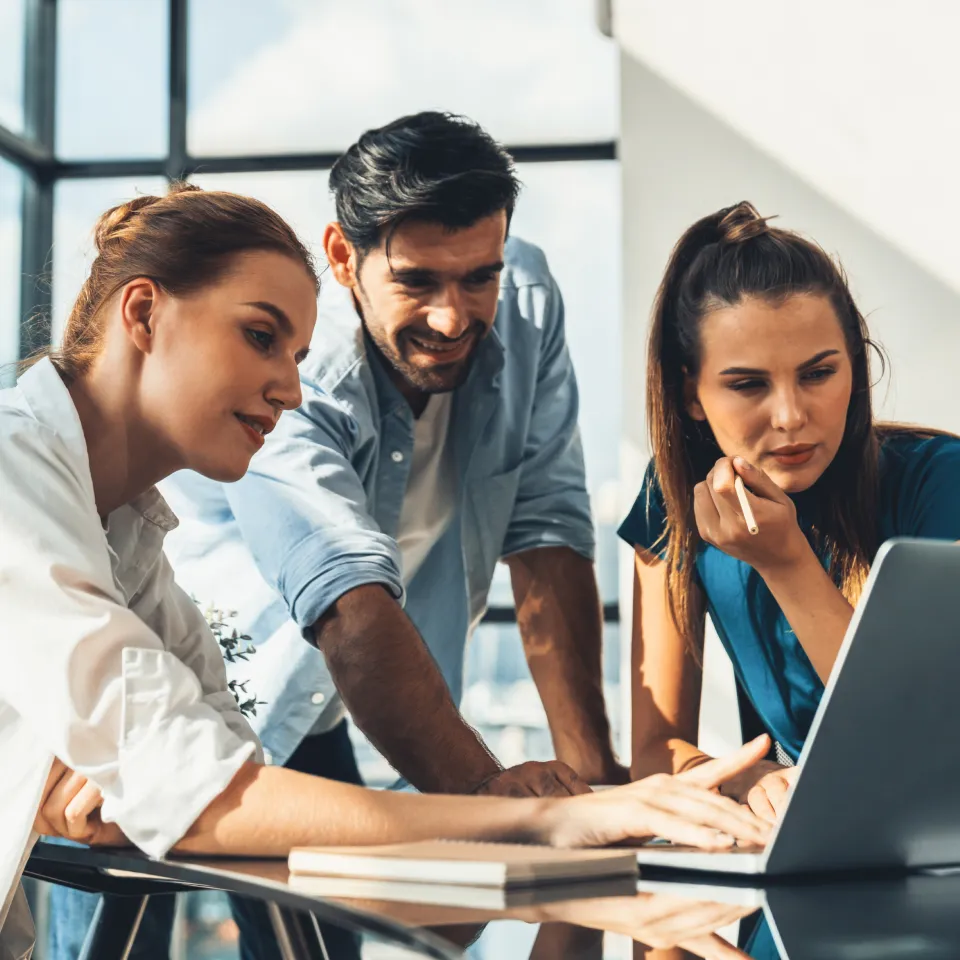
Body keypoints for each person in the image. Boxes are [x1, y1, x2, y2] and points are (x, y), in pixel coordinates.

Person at [0, 184, 773, 959]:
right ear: (143, 314)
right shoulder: (11, 484)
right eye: (260, 336)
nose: (291, 389)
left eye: (299, 355)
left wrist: (567, 884)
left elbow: (256, 835)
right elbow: (211, 805)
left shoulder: (131, 549)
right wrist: (544, 825)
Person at [161, 111, 626, 805]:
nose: (451, 317)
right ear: (344, 259)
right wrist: (485, 792)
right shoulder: (299, 369)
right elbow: (346, 601)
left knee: (333, 915)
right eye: (416, 282)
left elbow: (546, 533)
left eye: (478, 278)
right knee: (118, 897)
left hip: (355, 688)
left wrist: (596, 784)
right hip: (202, 673)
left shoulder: (526, 303)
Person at [622, 201, 960, 822]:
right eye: (748, 384)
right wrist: (739, 777)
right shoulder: (670, 497)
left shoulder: (940, 480)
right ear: (688, 394)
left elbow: (926, 742)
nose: (790, 416)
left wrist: (787, 563)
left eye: (819, 373)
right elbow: (653, 748)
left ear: (855, 367)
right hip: (798, 849)